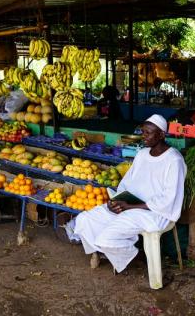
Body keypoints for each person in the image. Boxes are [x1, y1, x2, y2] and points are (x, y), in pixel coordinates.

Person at [70, 114, 186, 273]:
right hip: (131, 204)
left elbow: (169, 198)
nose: (143, 137)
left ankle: (132, 255)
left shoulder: (174, 160)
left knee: (106, 237)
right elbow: (127, 183)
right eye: (142, 132)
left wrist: (131, 206)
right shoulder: (142, 154)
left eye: (148, 133)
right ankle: (110, 253)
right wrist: (116, 201)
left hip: (155, 212)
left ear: (161, 135)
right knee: (85, 219)